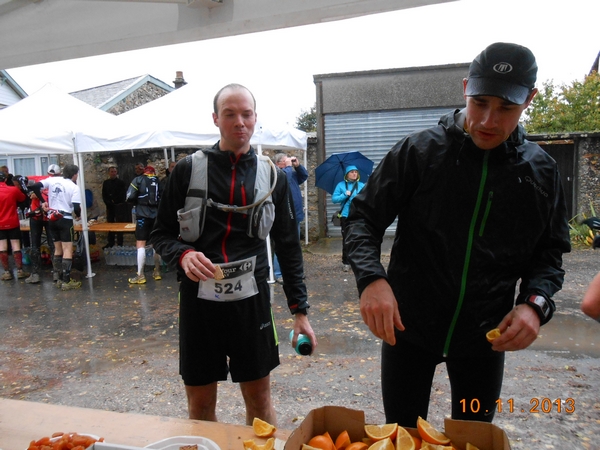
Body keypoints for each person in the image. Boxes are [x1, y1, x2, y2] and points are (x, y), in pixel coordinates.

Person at [344, 42, 571, 426]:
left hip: (484, 340)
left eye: (506, 108)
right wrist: (371, 279)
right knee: (402, 435)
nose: (487, 120)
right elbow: (361, 218)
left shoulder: (541, 172)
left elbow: (549, 254)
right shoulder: (419, 152)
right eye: (479, 102)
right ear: (465, 87)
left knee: (473, 436)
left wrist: (535, 304)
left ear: (529, 99)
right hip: (407, 332)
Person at [150, 83, 316, 425]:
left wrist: (300, 311)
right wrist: (181, 254)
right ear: (215, 119)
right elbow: (161, 233)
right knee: (200, 406)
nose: (239, 121)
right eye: (230, 114)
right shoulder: (187, 170)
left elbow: (288, 245)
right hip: (199, 304)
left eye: (246, 114)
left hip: (251, 303)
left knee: (260, 402)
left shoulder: (273, 176)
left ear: (255, 119)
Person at [33, 164, 83, 290]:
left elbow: (35, 186)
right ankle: (66, 281)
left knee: (57, 249)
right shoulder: (74, 187)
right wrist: (78, 215)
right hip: (65, 219)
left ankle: (59, 278)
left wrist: (42, 200)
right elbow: (76, 207)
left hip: (52, 218)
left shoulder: (53, 181)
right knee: (67, 249)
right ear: (75, 174)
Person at [272, 153, 308, 282]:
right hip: (283, 217)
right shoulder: (277, 174)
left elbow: (304, 176)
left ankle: (295, 272)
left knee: (295, 245)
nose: (288, 162)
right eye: (285, 161)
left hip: (296, 214)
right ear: (278, 164)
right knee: (282, 245)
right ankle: (279, 273)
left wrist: (297, 166)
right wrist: (288, 167)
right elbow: (283, 180)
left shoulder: (291, 173)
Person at [126, 165, 161, 284]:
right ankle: (157, 272)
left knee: (141, 243)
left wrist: (136, 203)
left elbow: (129, 196)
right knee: (155, 244)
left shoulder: (138, 180)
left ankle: (140, 275)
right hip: (156, 216)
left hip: (142, 215)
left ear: (144, 172)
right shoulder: (158, 182)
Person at [24, 169, 56, 284]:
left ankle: (36, 273)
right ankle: (56, 273)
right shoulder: (55, 182)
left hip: (37, 215)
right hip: (46, 215)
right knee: (52, 243)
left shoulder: (37, 179)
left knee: (35, 244)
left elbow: (24, 182)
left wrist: (31, 194)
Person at [331, 165, 364, 272]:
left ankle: (359, 261)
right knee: (346, 239)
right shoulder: (341, 185)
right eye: (352, 172)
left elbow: (367, 198)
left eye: (356, 172)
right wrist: (345, 195)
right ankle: (346, 262)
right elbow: (334, 199)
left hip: (359, 216)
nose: (354, 174)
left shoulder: (362, 185)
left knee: (360, 239)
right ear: (347, 174)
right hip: (346, 216)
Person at [0, 170, 29, 281]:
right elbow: (22, 198)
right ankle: (20, 270)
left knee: (2, 247)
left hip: (0, 223)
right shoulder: (13, 190)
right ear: (6, 179)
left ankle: (7, 272)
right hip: (12, 222)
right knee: (16, 245)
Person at [101, 166, 128, 248]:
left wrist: (117, 202)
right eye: (111, 171)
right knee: (110, 224)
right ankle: (110, 242)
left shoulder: (121, 183)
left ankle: (120, 243)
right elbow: (104, 195)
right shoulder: (106, 183)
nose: (113, 173)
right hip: (110, 207)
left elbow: (123, 194)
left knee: (119, 225)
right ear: (109, 173)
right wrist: (109, 202)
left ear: (117, 173)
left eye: (114, 171)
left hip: (119, 206)